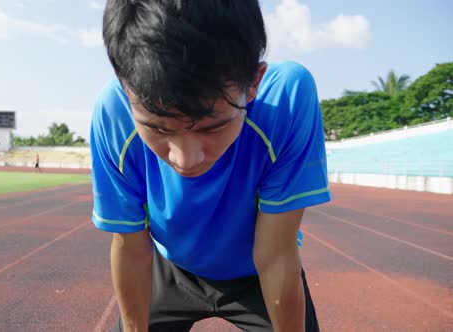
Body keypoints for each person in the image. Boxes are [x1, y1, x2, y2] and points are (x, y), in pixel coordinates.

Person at [90, 1, 331, 331]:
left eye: (212, 127)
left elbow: (275, 254)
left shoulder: (286, 101)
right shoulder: (114, 114)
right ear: (124, 88)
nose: (185, 160)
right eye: (158, 128)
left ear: (253, 84)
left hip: (255, 273)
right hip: (169, 267)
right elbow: (130, 249)